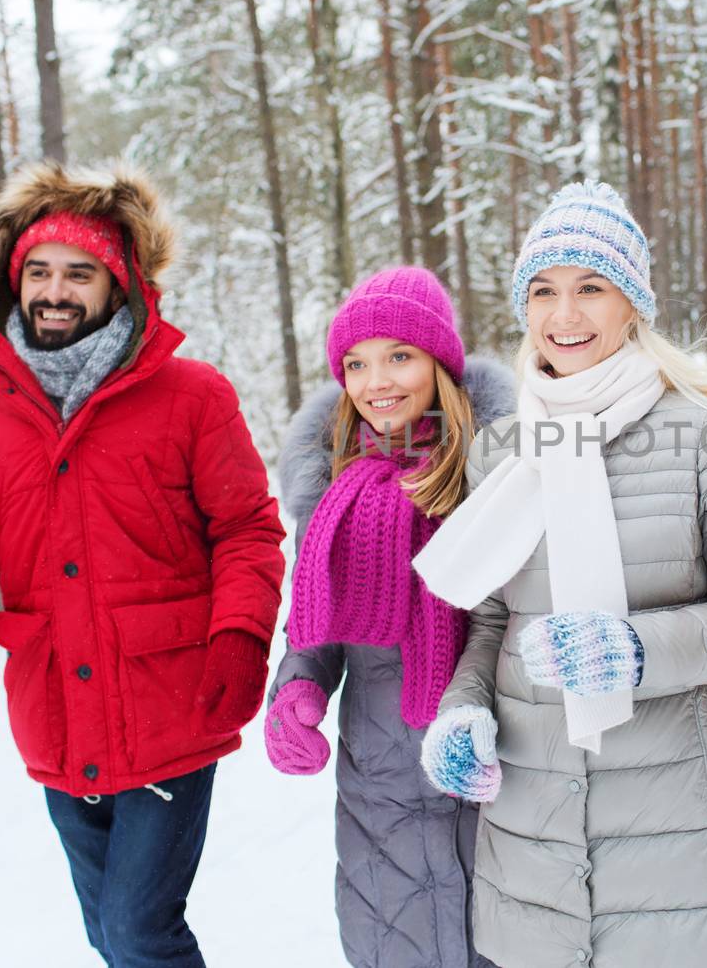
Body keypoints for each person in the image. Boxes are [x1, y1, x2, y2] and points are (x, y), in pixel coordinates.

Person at [0, 162, 284, 967]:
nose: (55, 291)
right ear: (13, 279)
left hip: (172, 702)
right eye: (38, 271)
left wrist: (242, 633)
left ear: (120, 284)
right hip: (54, 710)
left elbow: (246, 529)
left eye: (80, 272)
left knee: (141, 930)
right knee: (108, 932)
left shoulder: (192, 397)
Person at [413, 181, 707, 967]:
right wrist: (462, 710)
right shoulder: (501, 447)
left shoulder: (704, 434)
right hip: (529, 834)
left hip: (671, 830)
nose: (566, 315)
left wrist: (636, 649)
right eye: (545, 291)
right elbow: (490, 622)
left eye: (591, 287)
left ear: (633, 304)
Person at [263, 266, 513, 967]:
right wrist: (297, 687)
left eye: (399, 355)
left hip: (492, 770)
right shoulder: (336, 488)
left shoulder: (497, 477)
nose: (378, 380)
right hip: (382, 792)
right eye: (357, 362)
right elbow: (316, 618)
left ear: (441, 361)